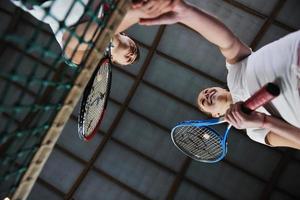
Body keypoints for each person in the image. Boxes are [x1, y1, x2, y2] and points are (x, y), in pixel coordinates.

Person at [137, 0, 300, 149]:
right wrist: (264, 122)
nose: (206, 94)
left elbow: (228, 42)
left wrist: (188, 14)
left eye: (206, 91)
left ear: (223, 89)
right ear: (216, 115)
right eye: (203, 101)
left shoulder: (234, 75)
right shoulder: (254, 131)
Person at [9, 0, 154, 66]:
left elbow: (71, 41)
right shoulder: (113, 6)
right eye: (135, 49)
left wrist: (141, 13)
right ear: (127, 36)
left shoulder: (88, 58)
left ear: (114, 61)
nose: (133, 55)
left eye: (129, 60)